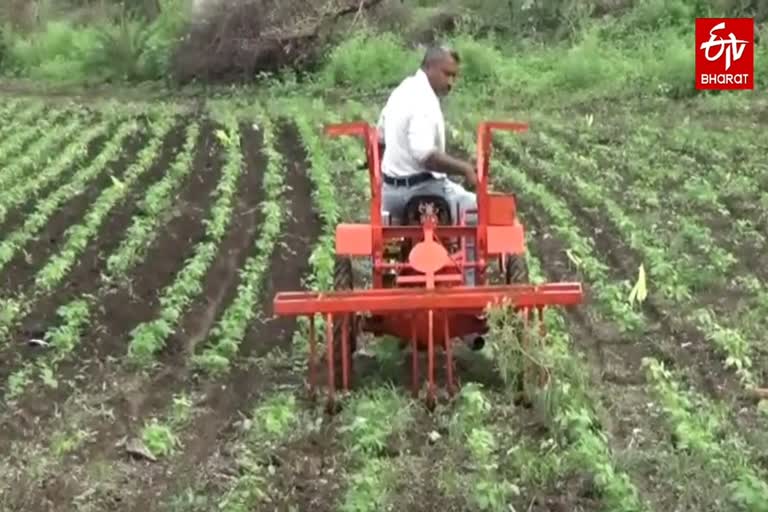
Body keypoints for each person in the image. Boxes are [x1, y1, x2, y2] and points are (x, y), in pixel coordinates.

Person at [375, 45, 478, 225]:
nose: (450, 83)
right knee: (481, 209)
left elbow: (379, 140)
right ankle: (468, 254)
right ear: (430, 67)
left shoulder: (400, 91)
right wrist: (466, 169)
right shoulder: (424, 100)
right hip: (426, 192)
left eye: (454, 76)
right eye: (447, 74)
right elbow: (425, 156)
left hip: (390, 195)